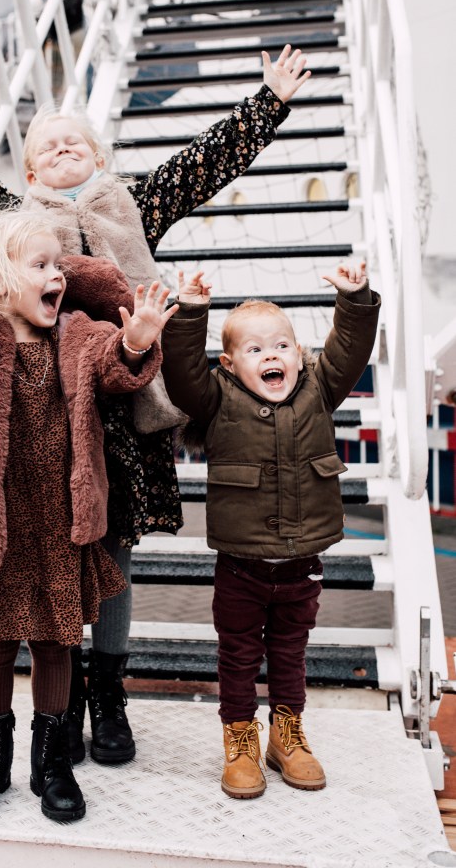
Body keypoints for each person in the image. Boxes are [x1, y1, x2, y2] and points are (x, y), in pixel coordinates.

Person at [0, 41, 310, 765]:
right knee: (47, 552)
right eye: (47, 147)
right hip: (46, 411)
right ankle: (58, 705)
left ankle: (108, 696)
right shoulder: (16, 221)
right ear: (30, 174)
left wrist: (269, 101)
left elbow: (208, 161)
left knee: (111, 554)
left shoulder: (134, 204)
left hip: (125, 407)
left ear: (98, 159)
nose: (63, 149)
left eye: (75, 143)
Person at [0, 208, 178, 820]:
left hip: (60, 525)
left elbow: (116, 368)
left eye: (59, 266)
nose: (58, 275)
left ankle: (52, 764)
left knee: (56, 647)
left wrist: (136, 339)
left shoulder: (78, 334)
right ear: (0, 280)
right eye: (41, 265)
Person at [160, 262, 380, 799]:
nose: (271, 356)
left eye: (281, 346)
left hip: (302, 563)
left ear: (299, 355)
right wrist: (191, 311)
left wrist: (354, 300)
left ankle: (287, 735)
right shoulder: (217, 398)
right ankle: (240, 739)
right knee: (237, 655)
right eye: (255, 350)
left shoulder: (318, 388)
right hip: (241, 566)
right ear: (230, 364)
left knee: (290, 651)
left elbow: (349, 352)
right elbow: (182, 376)